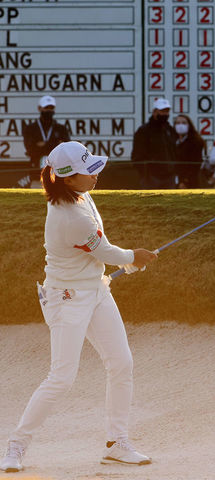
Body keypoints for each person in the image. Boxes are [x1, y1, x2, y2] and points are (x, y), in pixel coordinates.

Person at [0, 141, 157, 473]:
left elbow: (99, 254)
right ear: (69, 179)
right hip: (66, 300)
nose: (97, 175)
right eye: (90, 171)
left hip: (95, 291)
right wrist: (134, 258)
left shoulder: (79, 194)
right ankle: (16, 445)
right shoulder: (69, 215)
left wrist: (128, 262)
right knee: (62, 377)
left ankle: (117, 443)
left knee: (121, 362)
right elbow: (104, 251)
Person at [22, 95, 70, 187]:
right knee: (36, 200)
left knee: (58, 200)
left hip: (58, 175)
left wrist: (42, 145)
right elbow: (31, 150)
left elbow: (66, 150)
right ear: (39, 108)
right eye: (46, 107)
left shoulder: (61, 129)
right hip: (36, 174)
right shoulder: (30, 129)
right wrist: (55, 145)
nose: (48, 110)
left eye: (51, 108)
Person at [131, 98, 177, 189]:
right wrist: (145, 174)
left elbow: (174, 152)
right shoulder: (144, 130)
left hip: (169, 176)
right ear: (155, 112)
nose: (165, 114)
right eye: (162, 111)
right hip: (151, 177)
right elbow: (137, 155)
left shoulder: (170, 129)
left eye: (167, 111)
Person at [174, 114, 206, 188]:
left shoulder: (195, 142)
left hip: (191, 182)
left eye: (184, 123)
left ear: (189, 125)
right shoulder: (173, 141)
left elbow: (195, 164)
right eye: (178, 123)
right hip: (175, 181)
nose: (180, 125)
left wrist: (185, 181)